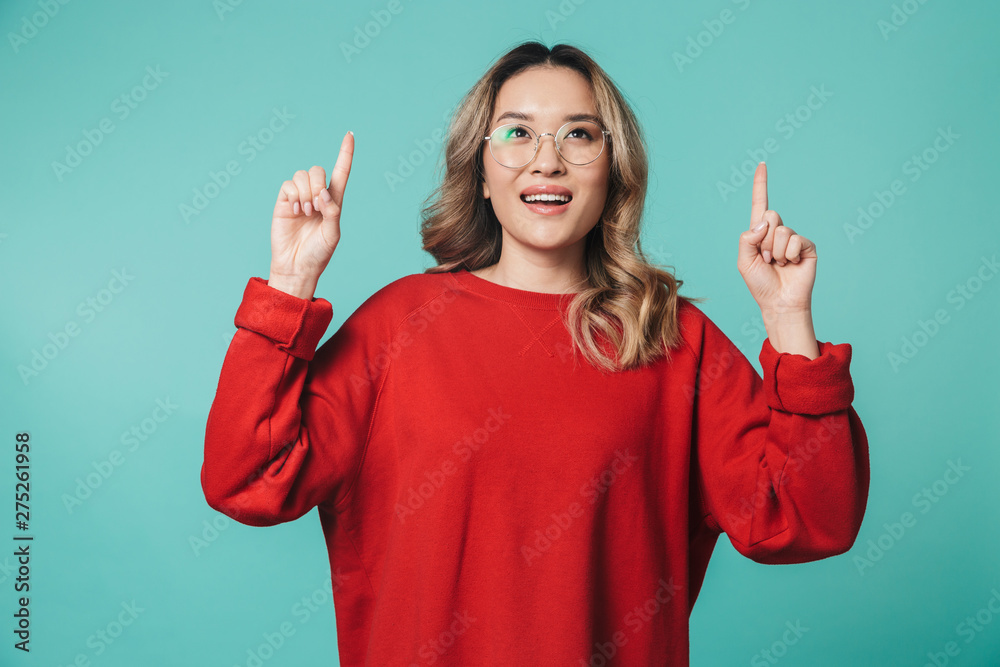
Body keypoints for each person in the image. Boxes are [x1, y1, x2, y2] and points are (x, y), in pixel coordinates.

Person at [200, 41, 869, 666]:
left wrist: (788, 319)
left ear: (613, 170)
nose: (546, 159)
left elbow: (811, 518)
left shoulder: (672, 336)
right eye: (517, 132)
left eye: (578, 134)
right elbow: (246, 477)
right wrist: (289, 284)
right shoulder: (397, 324)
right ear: (482, 171)